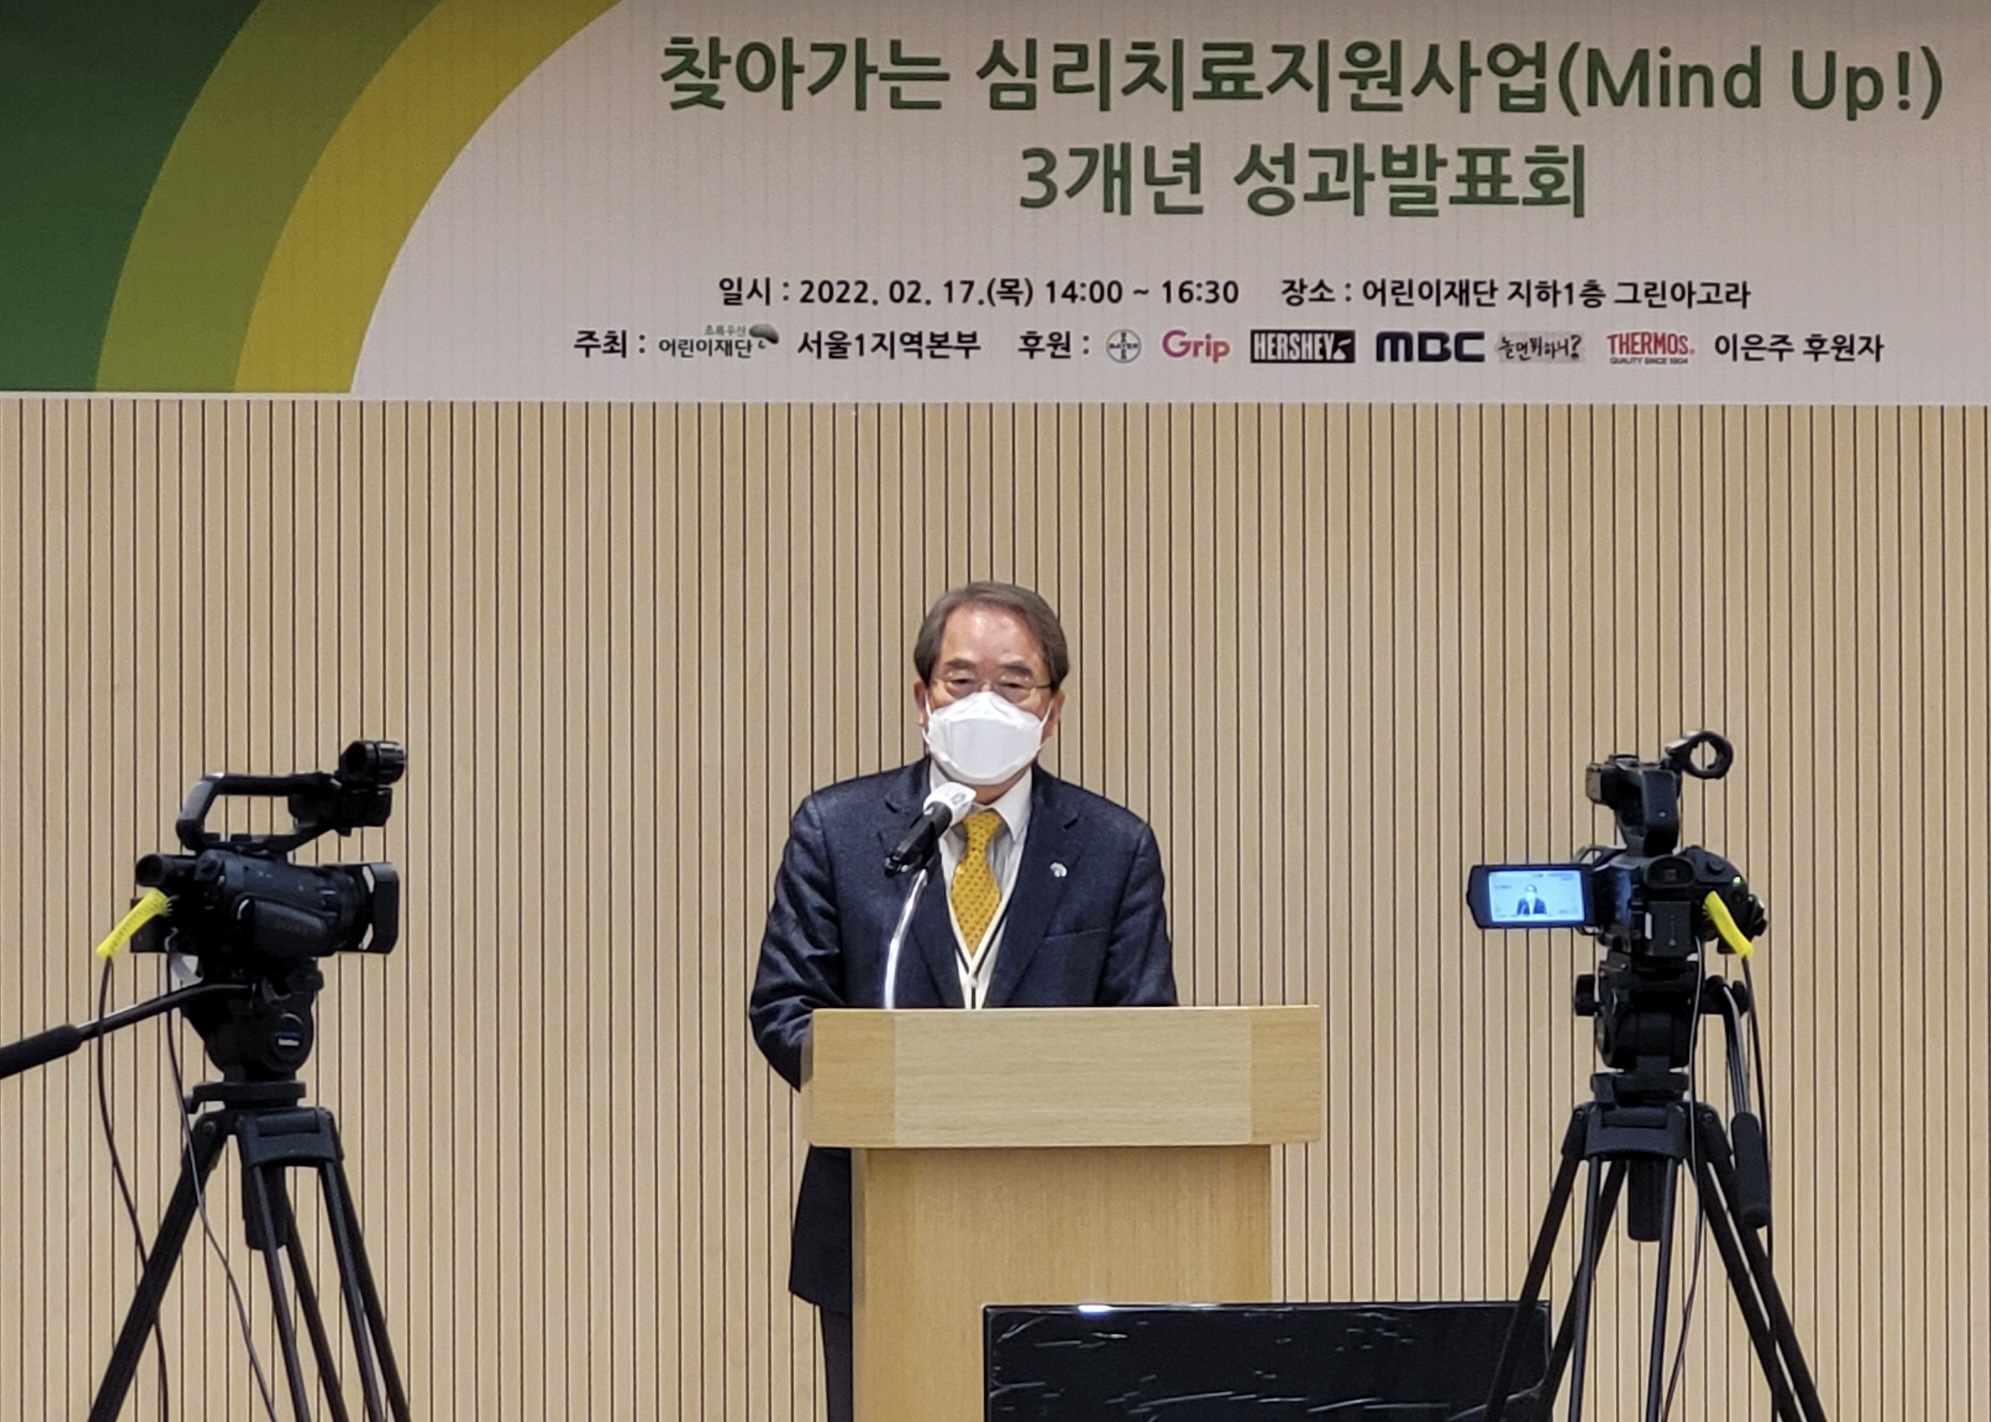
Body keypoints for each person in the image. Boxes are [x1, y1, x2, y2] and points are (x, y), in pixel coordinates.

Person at [748, 581, 1177, 1422]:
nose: (986, 702)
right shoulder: (837, 831)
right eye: (961, 679)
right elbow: (785, 1007)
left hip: (1066, 1221)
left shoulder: (1113, 846)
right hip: (878, 1224)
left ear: (1051, 711)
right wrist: (906, 1090)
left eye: (1013, 683)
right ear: (922, 698)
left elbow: (1143, 1031)